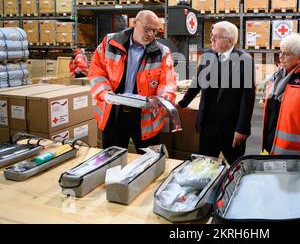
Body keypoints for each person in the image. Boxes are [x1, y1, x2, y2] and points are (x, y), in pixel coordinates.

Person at [88, 10, 177, 152]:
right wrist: (105, 93)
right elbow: (96, 72)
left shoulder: (162, 52)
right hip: (113, 114)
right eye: (147, 29)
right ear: (134, 23)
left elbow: (168, 82)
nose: (151, 35)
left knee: (149, 162)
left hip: (145, 117)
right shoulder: (110, 42)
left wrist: (162, 98)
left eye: (155, 31)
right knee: (112, 160)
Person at [177, 21, 256, 165]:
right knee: (205, 165)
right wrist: (181, 104)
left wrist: (241, 129)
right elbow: (197, 83)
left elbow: (248, 97)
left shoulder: (244, 60)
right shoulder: (207, 55)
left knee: (235, 166)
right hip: (208, 125)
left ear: (230, 41)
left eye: (217, 37)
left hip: (231, 128)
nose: (212, 40)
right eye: (212, 36)